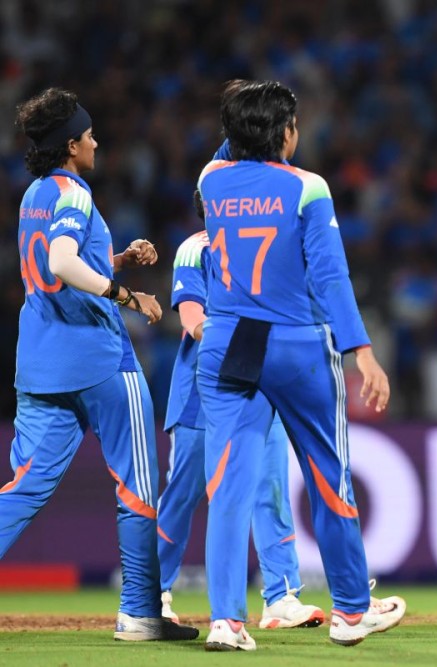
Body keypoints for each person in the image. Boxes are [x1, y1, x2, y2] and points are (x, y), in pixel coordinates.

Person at [196, 79, 404, 651]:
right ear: (285, 132)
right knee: (327, 478)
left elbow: (224, 154)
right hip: (296, 345)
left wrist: (235, 113)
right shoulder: (307, 187)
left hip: (229, 342)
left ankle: (226, 622)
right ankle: (352, 611)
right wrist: (362, 350)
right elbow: (330, 277)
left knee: (228, 486)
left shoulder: (210, 182)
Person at [0, 87, 197, 642]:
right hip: (101, 359)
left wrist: (114, 259)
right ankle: (138, 613)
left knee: (25, 488)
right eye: (88, 135)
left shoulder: (33, 195)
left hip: (41, 363)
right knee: (137, 485)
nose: (95, 141)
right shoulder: (75, 192)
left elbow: (53, 263)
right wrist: (130, 296)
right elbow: (63, 264)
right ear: (70, 145)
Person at [156, 189, 324, 630]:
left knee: (270, 487)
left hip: (259, 386)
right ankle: (152, 592)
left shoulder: (266, 250)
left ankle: (280, 596)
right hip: (201, 390)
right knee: (185, 492)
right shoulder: (197, 248)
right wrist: (223, 335)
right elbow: (190, 314)